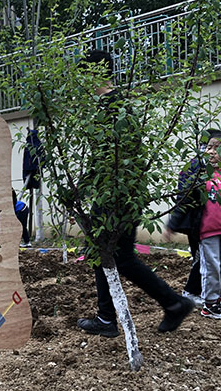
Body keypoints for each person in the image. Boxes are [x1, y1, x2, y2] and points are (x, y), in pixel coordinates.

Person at [76, 50, 194, 337]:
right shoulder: (116, 105)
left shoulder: (114, 107)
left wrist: (86, 185)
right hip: (119, 193)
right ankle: (108, 316)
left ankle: (172, 303)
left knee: (119, 256)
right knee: (102, 252)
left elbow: (110, 158)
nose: (79, 82)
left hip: (116, 196)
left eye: (82, 74)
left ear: (94, 73)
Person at [166, 133, 221, 320]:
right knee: (211, 267)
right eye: (208, 147)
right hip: (207, 230)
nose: (210, 151)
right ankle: (210, 303)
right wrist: (172, 224)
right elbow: (184, 200)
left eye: (215, 148)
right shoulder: (199, 175)